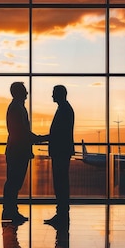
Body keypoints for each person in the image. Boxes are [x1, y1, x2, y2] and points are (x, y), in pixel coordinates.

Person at [2, 81, 45, 223]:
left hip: (17, 150)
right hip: (18, 151)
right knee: (14, 182)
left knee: (14, 183)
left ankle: (11, 210)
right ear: (19, 92)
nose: (27, 93)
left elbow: (21, 131)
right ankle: (10, 211)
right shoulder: (16, 108)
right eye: (25, 91)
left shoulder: (17, 107)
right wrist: (38, 138)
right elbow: (21, 132)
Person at [44, 84, 75, 225]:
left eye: (53, 93)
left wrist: (40, 138)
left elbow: (58, 134)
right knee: (61, 183)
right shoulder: (65, 109)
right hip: (62, 151)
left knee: (60, 183)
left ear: (60, 94)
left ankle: (61, 214)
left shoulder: (64, 110)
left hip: (60, 151)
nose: (52, 96)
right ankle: (62, 213)